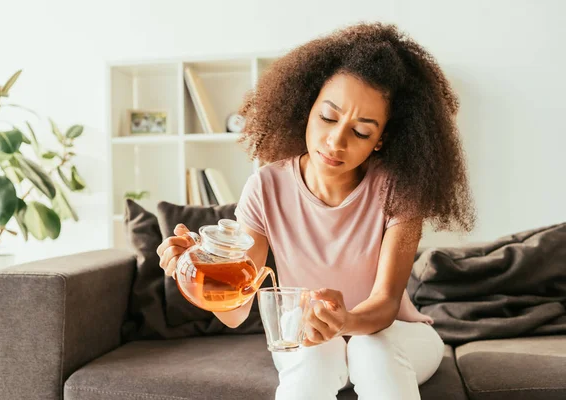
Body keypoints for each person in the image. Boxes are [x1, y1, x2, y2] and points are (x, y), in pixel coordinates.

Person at [157, 22, 475, 400]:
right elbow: (236, 311)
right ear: (306, 106)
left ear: (381, 140)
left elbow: (386, 304)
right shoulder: (266, 186)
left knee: (370, 348)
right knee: (315, 357)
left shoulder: (399, 190)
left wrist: (347, 322)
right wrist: (195, 274)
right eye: (327, 117)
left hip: (396, 333)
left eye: (361, 132)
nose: (336, 141)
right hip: (306, 332)